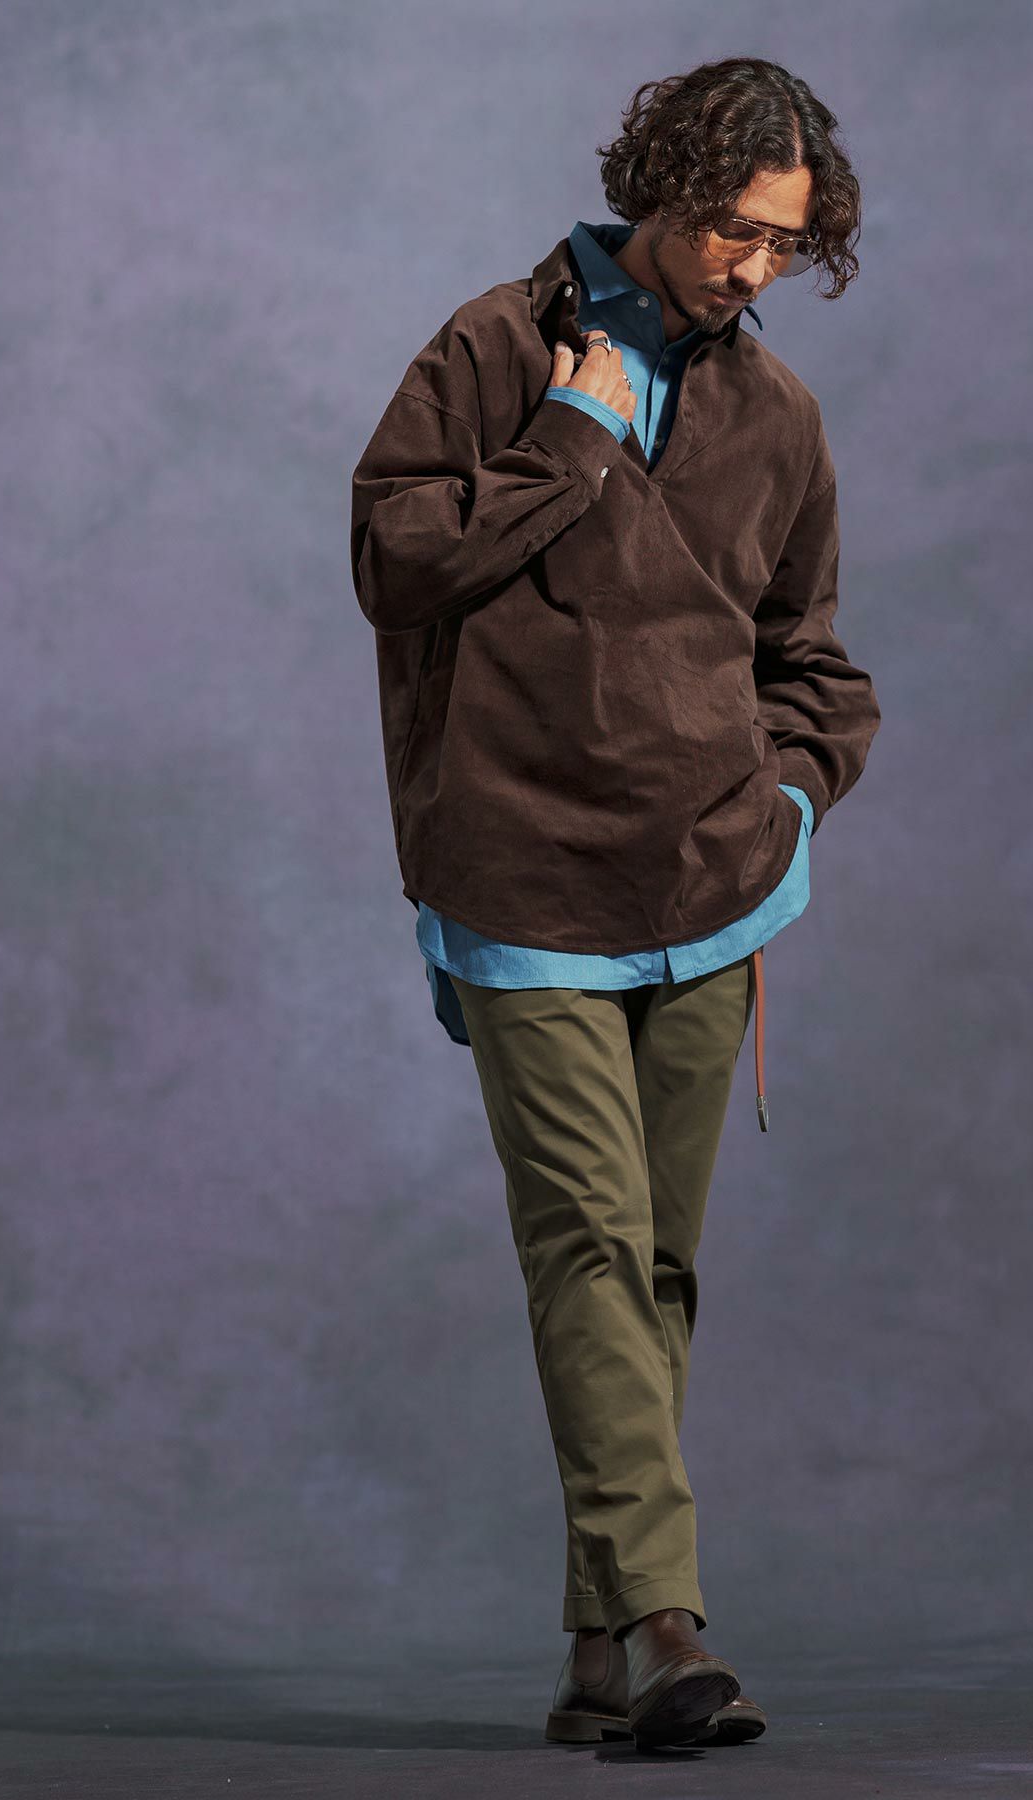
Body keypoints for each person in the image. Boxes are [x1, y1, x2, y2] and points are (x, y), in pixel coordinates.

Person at [349, 55, 880, 1750]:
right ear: (659, 185)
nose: (750, 264)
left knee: (654, 1266)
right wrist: (571, 436)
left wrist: (788, 800)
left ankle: (598, 1646)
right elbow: (394, 566)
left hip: (712, 889)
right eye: (731, 227)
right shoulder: (491, 352)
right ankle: (664, 1627)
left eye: (784, 243)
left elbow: (813, 663)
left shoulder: (779, 416)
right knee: (587, 1239)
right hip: (523, 876)